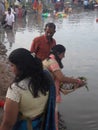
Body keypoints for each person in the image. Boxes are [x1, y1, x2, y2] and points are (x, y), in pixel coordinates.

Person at [0, 48, 56, 130]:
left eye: (12, 65)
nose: (10, 68)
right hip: (40, 123)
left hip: (24, 126)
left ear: (21, 67)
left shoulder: (16, 89)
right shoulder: (45, 78)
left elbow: (8, 123)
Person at [43, 44, 86, 130]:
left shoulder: (46, 60)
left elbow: (57, 77)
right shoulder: (53, 62)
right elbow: (61, 78)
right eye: (63, 54)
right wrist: (77, 81)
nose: (64, 56)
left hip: (44, 91)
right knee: (53, 117)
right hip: (52, 94)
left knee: (46, 115)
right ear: (58, 53)